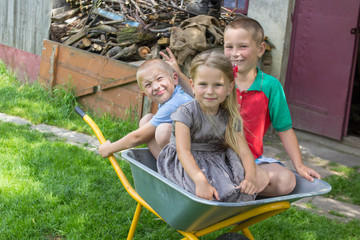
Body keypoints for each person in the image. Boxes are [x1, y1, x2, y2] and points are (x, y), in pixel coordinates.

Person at [160, 17, 321, 197]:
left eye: (242, 46)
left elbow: (284, 129)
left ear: (260, 49)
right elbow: (198, 91)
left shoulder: (270, 86)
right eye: (229, 47)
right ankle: (187, 176)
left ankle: (239, 185)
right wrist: (178, 72)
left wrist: (299, 165)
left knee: (286, 181)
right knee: (164, 131)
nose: (235, 53)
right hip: (212, 152)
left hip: (250, 156)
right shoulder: (217, 79)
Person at [157, 49, 266, 202]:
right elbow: (184, 152)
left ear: (229, 88)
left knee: (239, 189)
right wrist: (200, 182)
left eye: (217, 85)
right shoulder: (185, 114)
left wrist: (251, 177)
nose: (210, 91)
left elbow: (244, 151)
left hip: (215, 160)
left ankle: (225, 213)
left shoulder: (229, 116)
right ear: (192, 85)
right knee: (206, 194)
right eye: (203, 84)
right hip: (186, 163)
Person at [99, 58, 193, 159]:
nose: (156, 87)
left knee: (162, 131)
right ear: (145, 94)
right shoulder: (172, 97)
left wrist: (109, 148)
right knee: (146, 120)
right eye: (148, 85)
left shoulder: (176, 102)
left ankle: (176, 170)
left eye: (159, 78)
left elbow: (138, 137)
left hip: (199, 156)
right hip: (190, 147)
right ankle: (165, 167)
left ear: (174, 78)